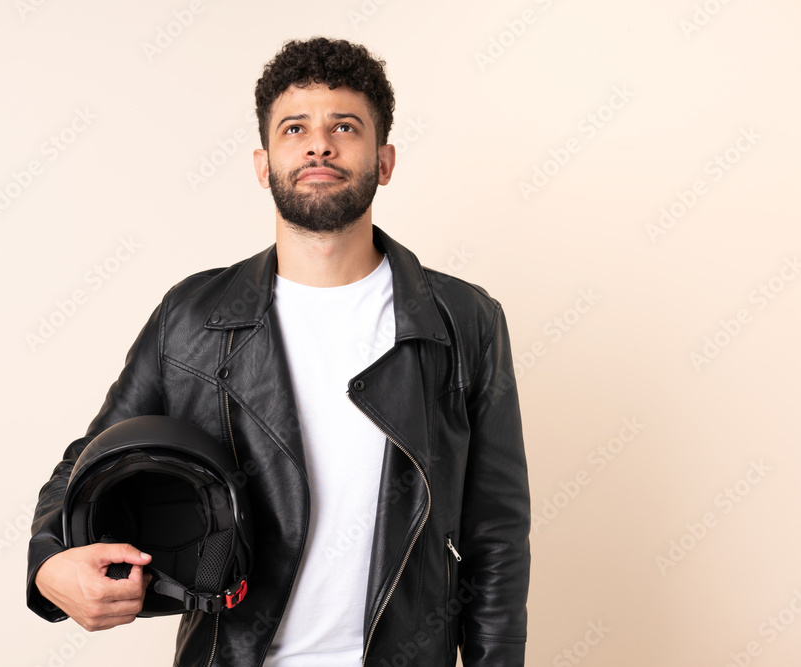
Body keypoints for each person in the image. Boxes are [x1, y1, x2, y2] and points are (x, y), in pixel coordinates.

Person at [27, 36, 530, 667]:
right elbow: (87, 462)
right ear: (263, 165)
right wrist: (49, 564)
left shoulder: (464, 320)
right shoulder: (192, 316)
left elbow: (496, 533)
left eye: (344, 126)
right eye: (296, 128)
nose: (320, 145)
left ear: (384, 161)